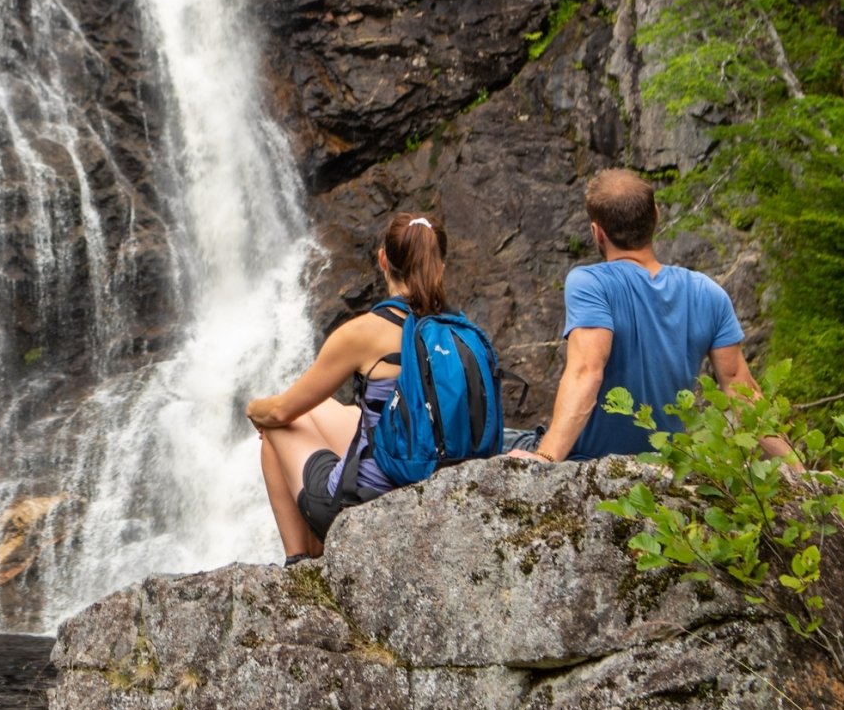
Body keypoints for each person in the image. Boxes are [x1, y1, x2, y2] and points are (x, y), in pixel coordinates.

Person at [505, 168, 793, 465]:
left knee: (492, 439)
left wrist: (544, 458)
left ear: (597, 232)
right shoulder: (707, 292)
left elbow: (587, 372)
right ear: (656, 216)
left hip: (588, 463)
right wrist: (802, 475)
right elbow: (741, 390)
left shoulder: (590, 283)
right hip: (667, 462)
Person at [246, 210, 457, 562]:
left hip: (378, 496)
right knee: (324, 408)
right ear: (441, 266)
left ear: (382, 259)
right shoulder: (459, 334)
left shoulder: (364, 333)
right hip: (440, 484)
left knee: (276, 425)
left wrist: (253, 410)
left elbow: (282, 410)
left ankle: (301, 566)